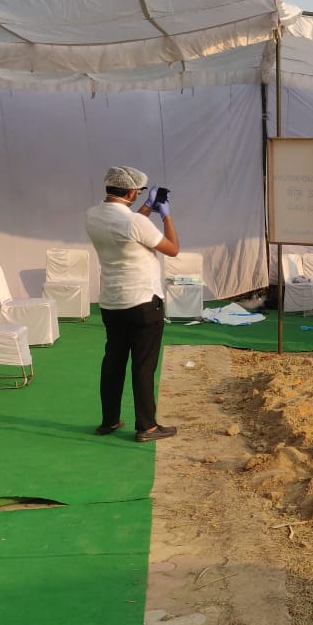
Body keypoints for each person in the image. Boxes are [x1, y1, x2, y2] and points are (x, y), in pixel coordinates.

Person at [85, 166, 179, 441]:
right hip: (142, 302)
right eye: (138, 193)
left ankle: (109, 421)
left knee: (113, 361)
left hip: (112, 303)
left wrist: (147, 208)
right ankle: (147, 426)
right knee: (143, 366)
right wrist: (167, 215)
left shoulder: (92, 215)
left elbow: (128, 228)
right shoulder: (135, 223)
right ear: (130, 192)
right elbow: (173, 248)